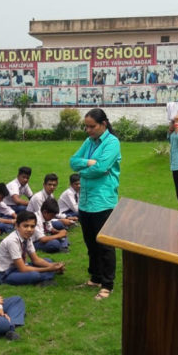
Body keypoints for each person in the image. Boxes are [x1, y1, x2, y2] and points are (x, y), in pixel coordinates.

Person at [69, 108, 122, 300]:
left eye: (92, 126)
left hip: (103, 201)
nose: (89, 130)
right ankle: (95, 277)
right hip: (85, 201)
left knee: (105, 245)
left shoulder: (112, 143)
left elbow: (101, 168)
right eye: (87, 126)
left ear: (103, 125)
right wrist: (89, 162)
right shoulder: (88, 142)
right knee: (90, 242)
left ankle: (107, 284)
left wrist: (85, 169)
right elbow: (73, 161)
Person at [0, 211, 64, 286]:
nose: (29, 229)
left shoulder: (27, 237)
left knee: (48, 261)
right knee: (35, 275)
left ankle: (45, 276)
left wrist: (52, 266)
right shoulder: (12, 241)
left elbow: (35, 260)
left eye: (32, 226)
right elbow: (23, 269)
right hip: (6, 273)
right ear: (17, 226)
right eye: (26, 226)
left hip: (18, 267)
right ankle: (44, 277)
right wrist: (48, 269)